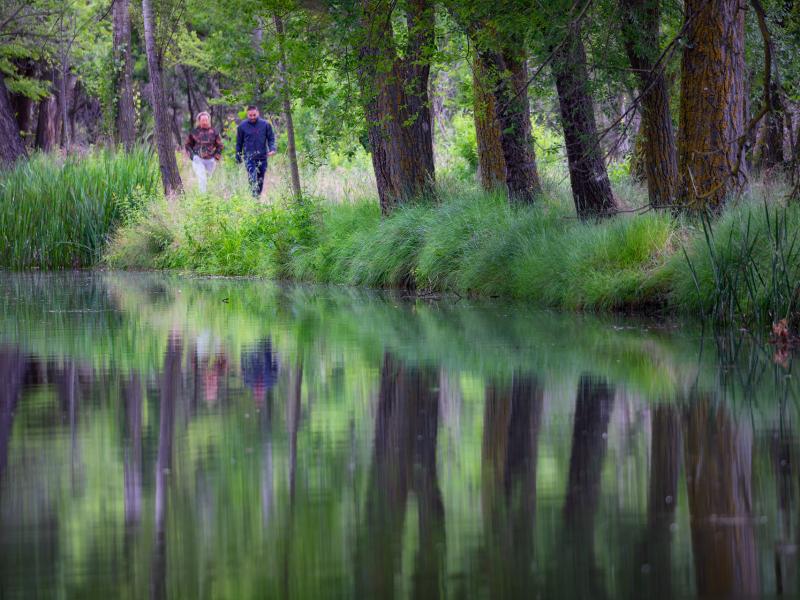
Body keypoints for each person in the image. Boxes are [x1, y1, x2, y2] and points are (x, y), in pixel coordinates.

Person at [235, 105, 277, 198]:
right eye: (250, 115)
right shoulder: (242, 126)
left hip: (262, 157)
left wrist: (272, 148)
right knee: (252, 178)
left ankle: (257, 198)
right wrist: (238, 156)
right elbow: (239, 142)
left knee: (260, 179)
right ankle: (254, 198)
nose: (253, 117)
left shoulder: (265, 124)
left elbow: (271, 138)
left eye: (254, 115)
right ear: (247, 114)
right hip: (249, 157)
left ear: (257, 113)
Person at [184, 111, 223, 193]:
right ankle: (202, 199)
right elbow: (187, 145)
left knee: (209, 179)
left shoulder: (214, 131)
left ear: (209, 120)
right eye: (202, 120)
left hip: (210, 160)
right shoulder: (194, 132)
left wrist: (217, 156)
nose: (204, 122)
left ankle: (209, 197)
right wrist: (193, 156)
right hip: (198, 159)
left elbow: (220, 145)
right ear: (199, 121)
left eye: (206, 120)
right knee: (202, 178)